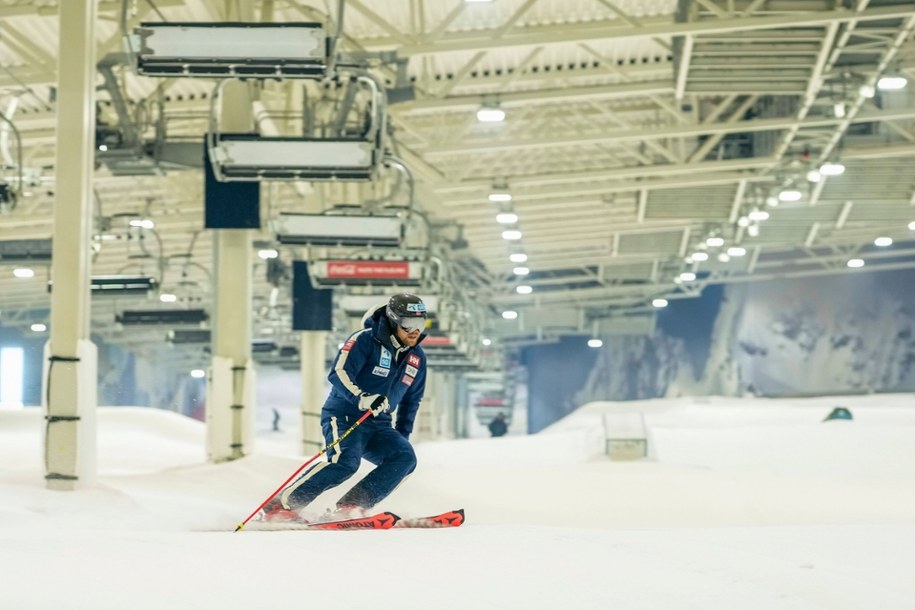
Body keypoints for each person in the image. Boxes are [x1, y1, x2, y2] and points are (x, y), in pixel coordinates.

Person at [263, 293, 429, 522]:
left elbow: (412, 401)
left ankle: (353, 506)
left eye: (420, 323)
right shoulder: (365, 340)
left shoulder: (417, 358)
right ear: (393, 320)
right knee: (345, 463)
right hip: (345, 415)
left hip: (379, 424)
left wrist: (399, 437)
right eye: (408, 323)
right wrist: (362, 398)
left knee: (404, 458)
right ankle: (280, 506)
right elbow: (338, 373)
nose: (415, 330)